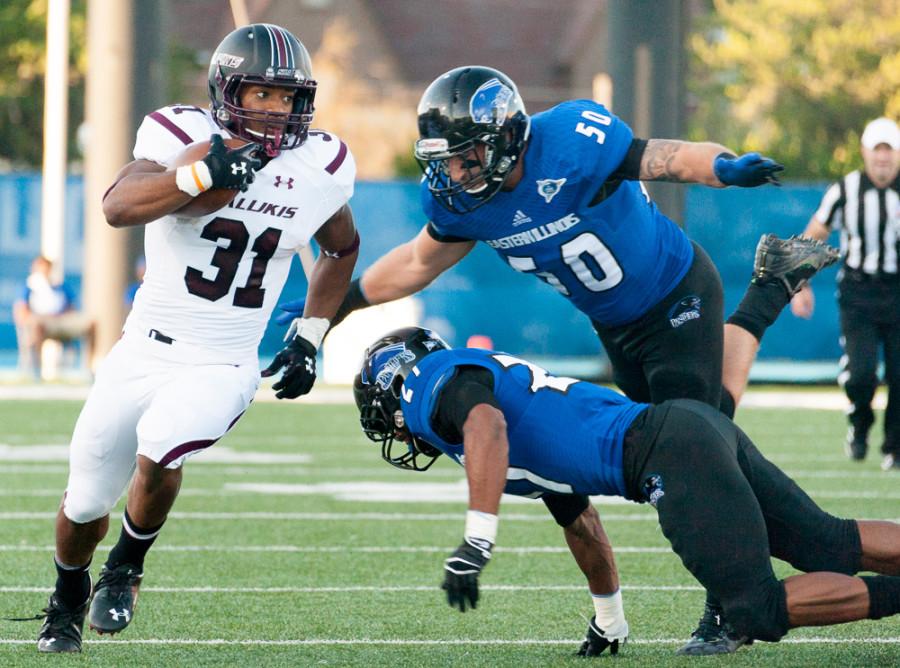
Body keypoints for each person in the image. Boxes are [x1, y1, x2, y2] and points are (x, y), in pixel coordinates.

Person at [278, 65, 839, 654]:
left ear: (507, 138)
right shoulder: (466, 203)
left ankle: (728, 604)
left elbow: (667, 158)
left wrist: (722, 168)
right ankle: (770, 288)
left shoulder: (572, 141)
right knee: (693, 433)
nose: (454, 172)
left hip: (675, 291)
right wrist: (340, 303)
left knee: (699, 451)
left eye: (466, 157)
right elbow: (418, 263)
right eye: (445, 159)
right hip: (616, 323)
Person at [33, 23, 359, 654]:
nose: (274, 109)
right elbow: (118, 205)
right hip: (143, 348)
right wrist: (203, 172)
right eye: (260, 94)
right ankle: (67, 596)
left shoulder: (319, 167)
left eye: (286, 97)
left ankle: (127, 565)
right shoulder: (182, 136)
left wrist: (310, 333)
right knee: (83, 502)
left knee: (163, 447)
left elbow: (341, 246)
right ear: (227, 90)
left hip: (225, 358)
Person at [354, 326, 900, 656]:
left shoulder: (426, 384)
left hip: (665, 453)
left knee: (754, 610)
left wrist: (477, 540)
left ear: (394, 387)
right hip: (686, 429)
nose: (393, 430)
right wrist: (609, 616)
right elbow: (580, 523)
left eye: (382, 415)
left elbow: (486, 425)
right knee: (827, 544)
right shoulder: (485, 408)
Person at [791, 117, 900, 471]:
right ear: (865, 153)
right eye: (877, 151)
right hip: (859, 292)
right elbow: (814, 236)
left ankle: (895, 446)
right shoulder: (846, 190)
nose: (883, 159)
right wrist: (800, 284)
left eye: (889, 151)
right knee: (861, 373)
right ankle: (860, 424)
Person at [12, 255, 96, 378]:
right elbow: (21, 310)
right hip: (40, 322)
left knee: (91, 324)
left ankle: (88, 368)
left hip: (61, 322)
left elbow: (72, 307)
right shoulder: (29, 287)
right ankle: (37, 373)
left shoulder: (61, 286)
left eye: (46, 268)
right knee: (36, 326)